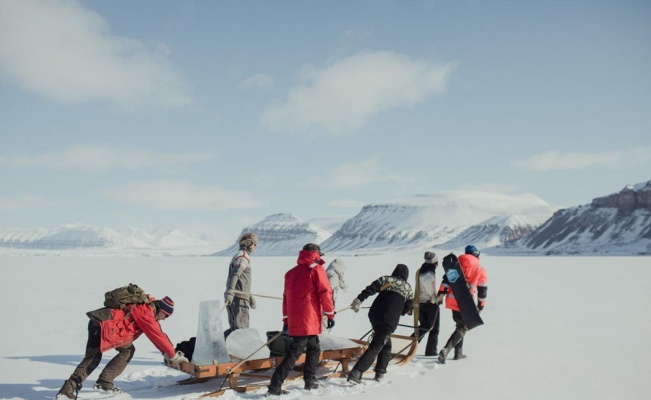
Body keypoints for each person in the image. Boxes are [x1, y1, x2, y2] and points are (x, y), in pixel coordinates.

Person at [56, 296, 188, 400]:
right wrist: (173, 355)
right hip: (103, 325)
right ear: (162, 311)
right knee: (92, 359)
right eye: (166, 316)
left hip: (110, 326)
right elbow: (157, 336)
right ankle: (66, 391)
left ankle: (105, 381)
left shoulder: (146, 307)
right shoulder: (146, 313)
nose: (165, 319)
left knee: (128, 350)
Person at [267, 243, 335, 396]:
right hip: (308, 319)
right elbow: (326, 292)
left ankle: (310, 381)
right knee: (295, 352)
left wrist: (286, 320)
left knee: (314, 347)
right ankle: (275, 386)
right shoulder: (317, 269)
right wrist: (330, 314)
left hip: (297, 319)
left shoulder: (291, 273)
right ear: (316, 255)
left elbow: (286, 298)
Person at [348, 264, 413, 384]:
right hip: (389, 321)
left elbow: (370, 289)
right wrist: (400, 308)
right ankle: (356, 372)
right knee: (377, 345)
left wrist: (358, 300)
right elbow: (406, 310)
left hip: (374, 316)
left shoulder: (385, 279)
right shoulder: (408, 288)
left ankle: (380, 371)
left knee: (386, 344)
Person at [435, 244, 485, 363]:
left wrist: (441, 294)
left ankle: (458, 353)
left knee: (460, 325)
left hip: (453, 300)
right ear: (476, 254)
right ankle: (446, 350)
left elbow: (447, 281)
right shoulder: (480, 267)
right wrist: (480, 305)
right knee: (463, 327)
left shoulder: (456, 264)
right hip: (467, 302)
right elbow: (482, 289)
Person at [224, 232, 258, 338]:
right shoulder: (243, 257)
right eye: (255, 244)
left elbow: (242, 280)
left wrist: (249, 295)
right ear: (249, 243)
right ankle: (239, 353)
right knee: (241, 330)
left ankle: (224, 347)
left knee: (234, 329)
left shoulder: (238, 256)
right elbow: (235, 276)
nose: (255, 247)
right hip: (239, 300)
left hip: (237, 296)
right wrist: (230, 292)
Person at [413, 251, 441, 356]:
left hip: (419, 303)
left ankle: (410, 344)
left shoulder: (420, 270)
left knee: (424, 326)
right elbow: (430, 288)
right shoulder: (429, 273)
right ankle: (431, 351)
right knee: (433, 328)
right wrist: (436, 299)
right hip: (429, 304)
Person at [322, 258, 348, 331]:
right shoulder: (334, 275)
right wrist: (330, 310)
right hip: (325, 308)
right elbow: (327, 290)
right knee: (324, 329)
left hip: (323, 307)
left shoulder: (326, 273)